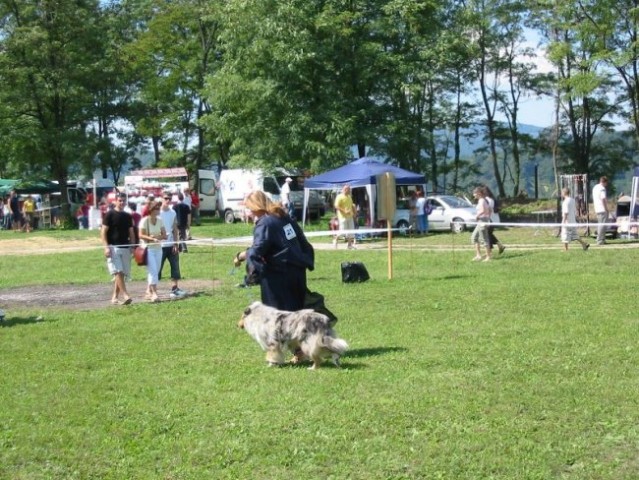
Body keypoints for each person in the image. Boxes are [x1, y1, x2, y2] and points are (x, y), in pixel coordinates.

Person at [233, 190, 314, 311]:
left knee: (279, 319)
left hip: (278, 279)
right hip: (297, 274)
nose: (248, 211)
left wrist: (253, 275)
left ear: (256, 207)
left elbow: (257, 251)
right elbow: (303, 242)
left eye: (248, 208)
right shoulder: (284, 217)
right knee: (296, 317)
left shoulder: (265, 223)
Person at [100, 193, 135, 305]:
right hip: (113, 247)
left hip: (125, 247)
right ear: (115, 201)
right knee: (118, 271)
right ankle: (125, 295)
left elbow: (131, 233)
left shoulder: (127, 216)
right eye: (120, 200)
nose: (122, 202)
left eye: (123, 201)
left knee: (122, 273)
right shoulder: (109, 215)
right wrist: (106, 247)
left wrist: (133, 246)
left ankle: (114, 297)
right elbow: (103, 232)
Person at [159, 193, 187, 299]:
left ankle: (175, 288)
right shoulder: (157, 213)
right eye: (166, 198)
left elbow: (175, 229)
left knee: (175, 267)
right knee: (157, 268)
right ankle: (152, 290)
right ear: (161, 199)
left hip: (171, 244)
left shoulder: (172, 212)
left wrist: (176, 243)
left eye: (169, 199)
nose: (168, 200)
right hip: (160, 245)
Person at [138, 200, 166, 303]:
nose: (159, 210)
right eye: (157, 208)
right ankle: (154, 293)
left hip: (158, 249)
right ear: (151, 210)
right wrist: (151, 238)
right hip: (148, 249)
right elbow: (140, 235)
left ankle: (148, 291)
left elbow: (165, 235)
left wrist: (158, 237)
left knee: (157, 270)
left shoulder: (160, 220)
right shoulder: (144, 221)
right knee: (153, 271)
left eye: (159, 208)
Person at [561, 187, 590, 251]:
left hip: (567, 222)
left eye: (562, 192)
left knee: (565, 235)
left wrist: (563, 222)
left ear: (564, 193)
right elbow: (574, 210)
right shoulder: (572, 200)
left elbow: (566, 213)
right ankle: (584, 244)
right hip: (573, 221)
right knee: (575, 235)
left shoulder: (565, 202)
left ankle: (566, 249)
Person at [470, 187, 492, 262]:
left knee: (484, 239)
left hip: (482, 221)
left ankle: (488, 257)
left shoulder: (482, 201)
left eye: (474, 193)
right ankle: (478, 255)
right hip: (480, 221)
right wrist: (488, 217)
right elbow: (489, 210)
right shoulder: (481, 200)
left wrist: (477, 216)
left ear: (479, 193)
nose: (473, 195)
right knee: (474, 237)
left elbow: (483, 210)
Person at [482, 186, 505, 254]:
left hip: (490, 220)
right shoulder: (492, 199)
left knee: (487, 234)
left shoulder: (486, 200)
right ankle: (499, 245)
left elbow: (487, 210)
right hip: (495, 219)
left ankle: (490, 250)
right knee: (489, 234)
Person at [333, 184, 356, 249]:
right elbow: (336, 206)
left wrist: (354, 213)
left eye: (349, 189)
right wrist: (344, 211)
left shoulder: (349, 197)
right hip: (342, 217)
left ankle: (349, 245)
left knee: (351, 231)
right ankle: (335, 240)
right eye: (348, 189)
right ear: (344, 189)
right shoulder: (339, 196)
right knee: (342, 232)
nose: (349, 190)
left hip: (350, 216)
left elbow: (352, 205)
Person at [592, 176, 609, 245]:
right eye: (606, 183)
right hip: (602, 209)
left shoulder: (595, 187)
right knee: (602, 225)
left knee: (600, 224)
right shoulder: (602, 189)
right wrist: (606, 208)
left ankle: (601, 238)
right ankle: (600, 240)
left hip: (597, 208)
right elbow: (603, 199)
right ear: (605, 182)